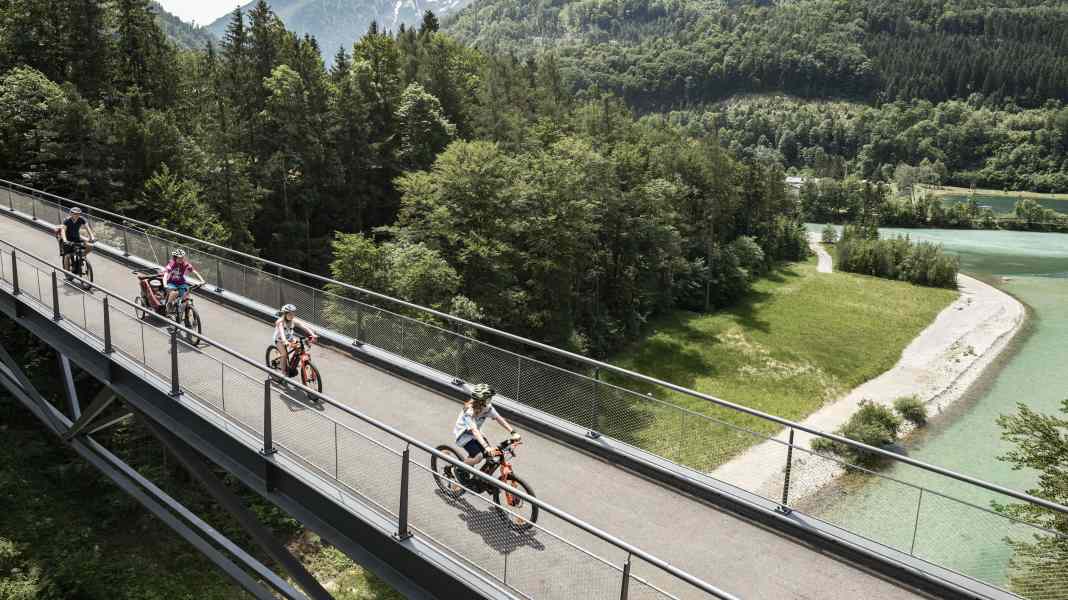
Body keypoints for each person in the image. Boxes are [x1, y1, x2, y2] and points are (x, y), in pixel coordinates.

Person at [453, 384, 521, 482]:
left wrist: (513, 432)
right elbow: (474, 431)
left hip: (476, 434)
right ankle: (458, 468)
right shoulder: (469, 411)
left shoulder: (487, 407)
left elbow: (499, 418)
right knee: (479, 456)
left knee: (490, 455)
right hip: (464, 435)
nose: (490, 401)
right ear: (481, 400)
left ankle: (476, 476)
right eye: (488, 399)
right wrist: (486, 447)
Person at [273, 304, 317, 376]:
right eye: (290, 314)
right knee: (284, 354)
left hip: (289, 338)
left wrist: (312, 334)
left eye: (293, 313)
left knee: (299, 348)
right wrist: (285, 341)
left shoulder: (293, 320)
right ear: (285, 314)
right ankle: (283, 372)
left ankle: (292, 365)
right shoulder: (280, 322)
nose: (292, 315)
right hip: (279, 339)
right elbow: (281, 332)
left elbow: (304, 326)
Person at [162, 249, 204, 313]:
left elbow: (194, 272)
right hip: (171, 283)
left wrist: (202, 280)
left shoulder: (185, 264)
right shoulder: (172, 263)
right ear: (175, 258)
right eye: (179, 258)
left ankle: (185, 311)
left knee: (186, 294)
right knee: (174, 293)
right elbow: (166, 274)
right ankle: (169, 304)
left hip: (181, 282)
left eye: (182, 257)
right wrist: (165, 284)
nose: (181, 259)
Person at [59, 207, 96, 273]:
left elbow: (88, 228)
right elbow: (63, 231)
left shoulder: (81, 219)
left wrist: (92, 237)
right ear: (71, 213)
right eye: (74, 214)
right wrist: (65, 240)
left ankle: (80, 258)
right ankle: (67, 273)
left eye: (78, 214)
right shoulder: (67, 220)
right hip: (68, 240)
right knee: (67, 255)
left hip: (76, 238)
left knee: (90, 246)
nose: (76, 215)